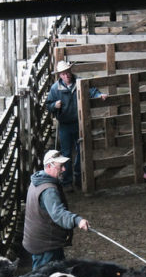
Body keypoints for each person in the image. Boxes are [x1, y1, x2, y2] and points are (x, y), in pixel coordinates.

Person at [22, 149, 91, 270]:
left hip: (38, 241)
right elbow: (58, 214)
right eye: (61, 166)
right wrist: (77, 220)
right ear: (49, 166)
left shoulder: (37, 181)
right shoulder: (49, 190)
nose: (64, 169)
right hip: (46, 245)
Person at [45, 60, 108, 192]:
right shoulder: (55, 88)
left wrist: (99, 95)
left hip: (79, 122)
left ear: (70, 71)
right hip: (64, 125)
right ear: (60, 75)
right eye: (63, 73)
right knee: (66, 153)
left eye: (67, 72)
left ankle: (79, 177)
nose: (66, 75)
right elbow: (48, 105)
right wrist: (54, 106)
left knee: (81, 150)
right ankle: (67, 181)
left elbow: (92, 91)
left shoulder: (80, 82)